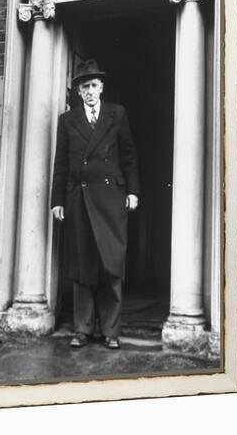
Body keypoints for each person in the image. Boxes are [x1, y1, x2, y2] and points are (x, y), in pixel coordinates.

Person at [51, 59, 139, 349]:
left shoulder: (117, 114)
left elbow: (128, 155)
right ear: (78, 91)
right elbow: (61, 163)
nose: (89, 91)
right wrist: (57, 200)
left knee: (111, 265)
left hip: (111, 198)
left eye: (93, 86)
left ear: (102, 88)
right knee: (82, 266)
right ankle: (82, 329)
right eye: (84, 87)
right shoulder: (68, 120)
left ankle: (111, 332)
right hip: (80, 199)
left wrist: (133, 191)